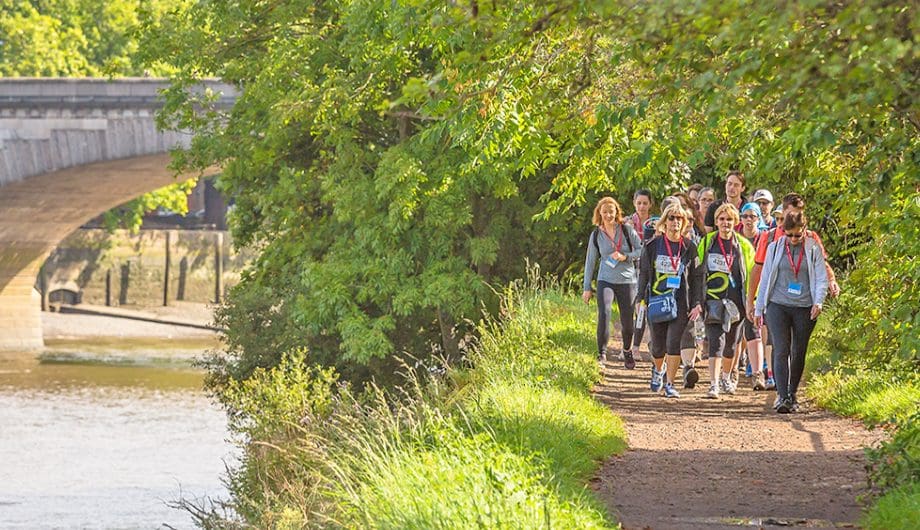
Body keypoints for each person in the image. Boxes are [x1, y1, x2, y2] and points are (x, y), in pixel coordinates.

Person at [754, 211, 828, 413]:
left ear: (805, 230)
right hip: (778, 304)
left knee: (798, 350)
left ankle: (792, 393)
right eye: (789, 235)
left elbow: (821, 277)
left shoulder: (813, 249)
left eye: (797, 235)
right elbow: (766, 277)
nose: (793, 239)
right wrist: (759, 308)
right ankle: (782, 396)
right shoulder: (775, 248)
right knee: (781, 348)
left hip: (804, 306)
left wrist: (819, 301)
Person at [636, 203, 704, 398]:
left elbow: (697, 276)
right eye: (672, 218)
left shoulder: (689, 247)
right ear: (664, 222)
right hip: (657, 299)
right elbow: (644, 275)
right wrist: (640, 299)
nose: (675, 222)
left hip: (680, 300)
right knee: (658, 346)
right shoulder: (652, 246)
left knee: (674, 342)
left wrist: (697, 302)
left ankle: (670, 383)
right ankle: (658, 369)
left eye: (679, 219)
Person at [746, 192, 840, 323]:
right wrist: (751, 301)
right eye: (791, 214)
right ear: (783, 212)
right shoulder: (770, 238)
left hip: (802, 302)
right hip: (776, 302)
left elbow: (822, 264)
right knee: (777, 342)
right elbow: (758, 270)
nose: (794, 218)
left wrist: (831, 280)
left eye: (798, 214)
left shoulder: (811, 238)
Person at [699, 204, 755, 398]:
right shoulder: (707, 242)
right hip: (713, 300)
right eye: (722, 219)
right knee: (715, 342)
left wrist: (751, 301)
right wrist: (699, 300)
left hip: (736, 302)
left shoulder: (743, 245)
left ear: (735, 222)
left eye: (729, 220)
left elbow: (751, 273)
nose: (725, 223)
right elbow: (698, 273)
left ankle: (726, 376)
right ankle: (713, 383)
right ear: (716, 222)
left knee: (731, 344)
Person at [583, 197, 643, 369]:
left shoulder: (626, 230)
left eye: (611, 211)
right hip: (605, 279)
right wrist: (587, 287)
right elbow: (590, 261)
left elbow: (640, 251)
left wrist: (625, 257)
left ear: (617, 212)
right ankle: (601, 353)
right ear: (599, 213)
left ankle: (627, 350)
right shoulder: (596, 235)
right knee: (605, 312)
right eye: (605, 211)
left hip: (627, 280)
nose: (608, 215)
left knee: (627, 320)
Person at [737, 203, 769, 390]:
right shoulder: (735, 239)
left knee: (756, 330)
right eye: (745, 216)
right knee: (735, 334)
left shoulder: (764, 239)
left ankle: (759, 373)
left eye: (753, 216)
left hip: (759, 291)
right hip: (736, 290)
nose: (749, 220)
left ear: (759, 219)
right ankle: (731, 371)